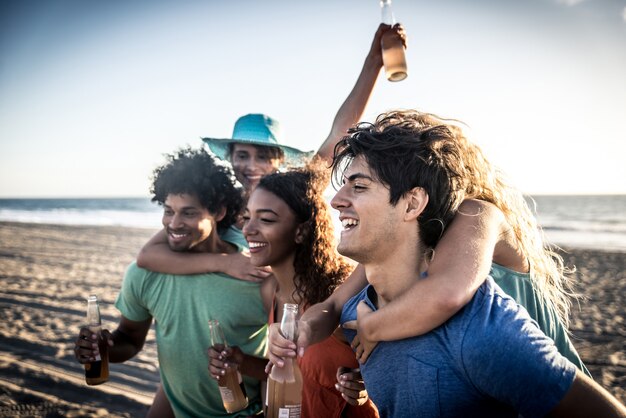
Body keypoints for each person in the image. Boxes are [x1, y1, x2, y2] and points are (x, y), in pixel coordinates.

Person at [330, 110, 625, 417]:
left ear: (414, 202)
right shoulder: (373, 301)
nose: (335, 200)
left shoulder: (477, 220)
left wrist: (373, 327)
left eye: (360, 186)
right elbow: (346, 304)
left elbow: (448, 294)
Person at [135, 22, 407, 279]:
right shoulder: (221, 203)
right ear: (231, 158)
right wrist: (225, 262)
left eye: (263, 156)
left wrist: (373, 64)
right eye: (242, 156)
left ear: (279, 160)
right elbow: (148, 255)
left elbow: (340, 133)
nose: (251, 165)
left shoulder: (298, 190)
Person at [73, 147, 268, 417]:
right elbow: (129, 339)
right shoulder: (144, 274)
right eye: (168, 211)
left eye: (188, 213)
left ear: (219, 212)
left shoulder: (253, 272)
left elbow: (286, 365)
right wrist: (106, 349)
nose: (174, 224)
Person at [208, 162, 379, 417]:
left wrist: (362, 388)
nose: (248, 229)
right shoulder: (271, 291)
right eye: (247, 216)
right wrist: (241, 361)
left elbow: (383, 378)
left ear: (301, 230)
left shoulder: (337, 296)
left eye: (265, 219)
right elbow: (294, 372)